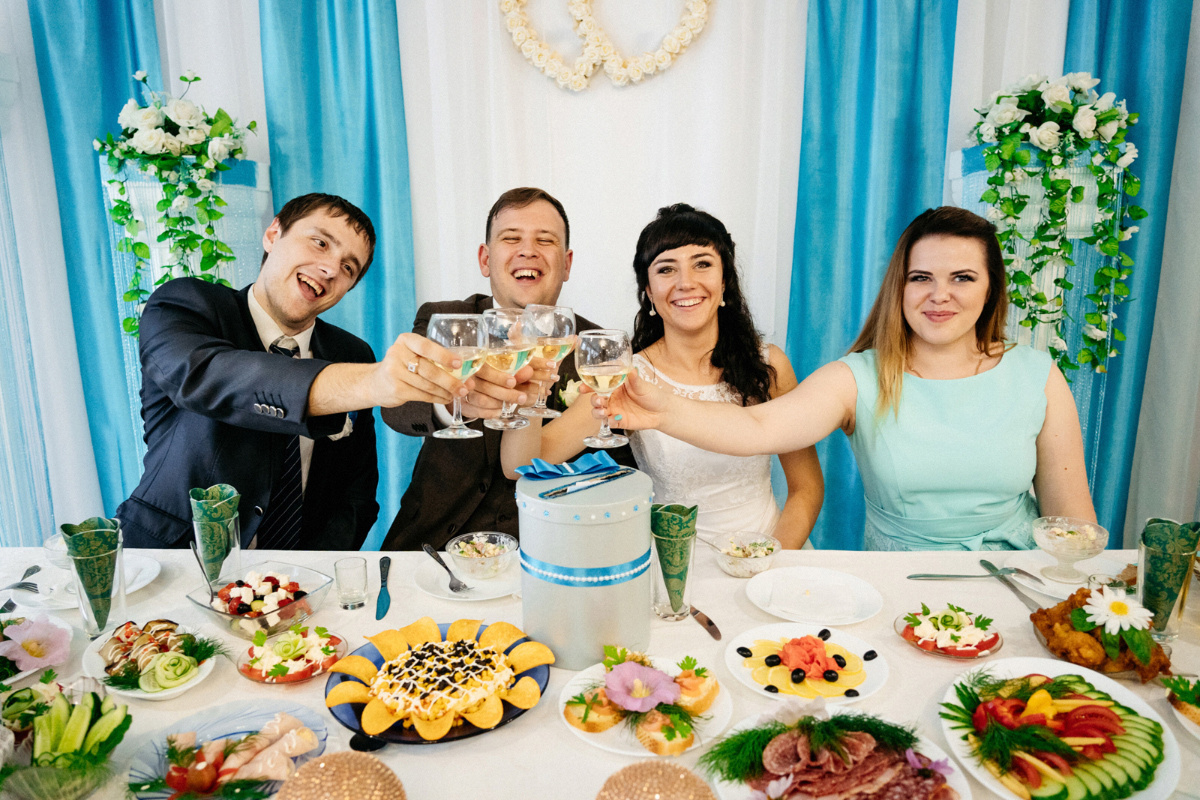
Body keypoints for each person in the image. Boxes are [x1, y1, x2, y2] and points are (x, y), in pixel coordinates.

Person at [597, 206, 1097, 551]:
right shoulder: (856, 378)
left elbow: (1073, 526)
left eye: (962, 277)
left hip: (1016, 580)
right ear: (899, 287)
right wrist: (662, 406)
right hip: (904, 587)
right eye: (921, 278)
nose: (939, 295)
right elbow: (757, 429)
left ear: (991, 289)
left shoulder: (1039, 376)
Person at [117, 193, 470, 550]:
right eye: (320, 243)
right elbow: (208, 375)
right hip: (173, 561)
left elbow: (356, 494)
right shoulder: (186, 305)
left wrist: (312, 576)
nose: (331, 269)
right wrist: (371, 381)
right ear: (273, 235)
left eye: (349, 267)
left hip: (298, 585)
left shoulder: (352, 353)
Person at [502, 204, 824, 549]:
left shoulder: (769, 365)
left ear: (725, 280)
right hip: (674, 570)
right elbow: (520, 465)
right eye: (667, 269)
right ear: (649, 292)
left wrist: (766, 560)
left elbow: (807, 488)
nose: (686, 283)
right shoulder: (626, 376)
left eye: (702, 264)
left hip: (771, 556)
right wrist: (529, 387)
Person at [381, 187, 635, 550]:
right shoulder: (449, 320)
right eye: (511, 238)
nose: (527, 250)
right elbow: (397, 407)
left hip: (545, 552)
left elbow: (617, 466)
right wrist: (451, 405)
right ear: (485, 259)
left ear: (567, 264)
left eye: (544, 240)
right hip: (431, 544)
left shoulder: (594, 348)